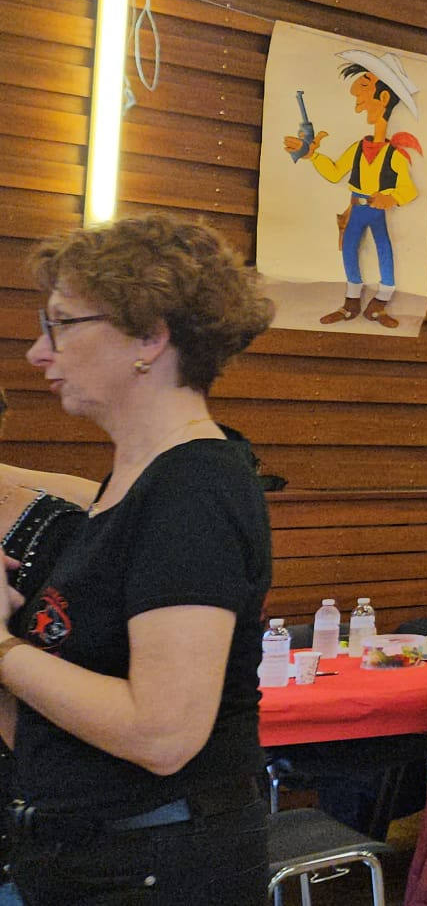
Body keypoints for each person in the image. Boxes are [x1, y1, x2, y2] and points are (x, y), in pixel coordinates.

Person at [1, 213, 274, 904]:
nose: (38, 353)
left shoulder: (194, 488)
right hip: (89, 858)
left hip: (154, 866)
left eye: (61, 324)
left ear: (150, 336)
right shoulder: (124, 488)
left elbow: (163, 734)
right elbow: (53, 727)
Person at [283, 48, 424, 327]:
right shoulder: (358, 148)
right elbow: (335, 171)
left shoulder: (394, 156)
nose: (356, 95)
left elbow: (409, 189)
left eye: (365, 86)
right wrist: (312, 155)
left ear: (383, 99)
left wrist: (392, 198)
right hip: (357, 208)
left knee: (384, 249)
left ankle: (381, 301)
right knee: (349, 249)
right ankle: (351, 303)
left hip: (376, 210)